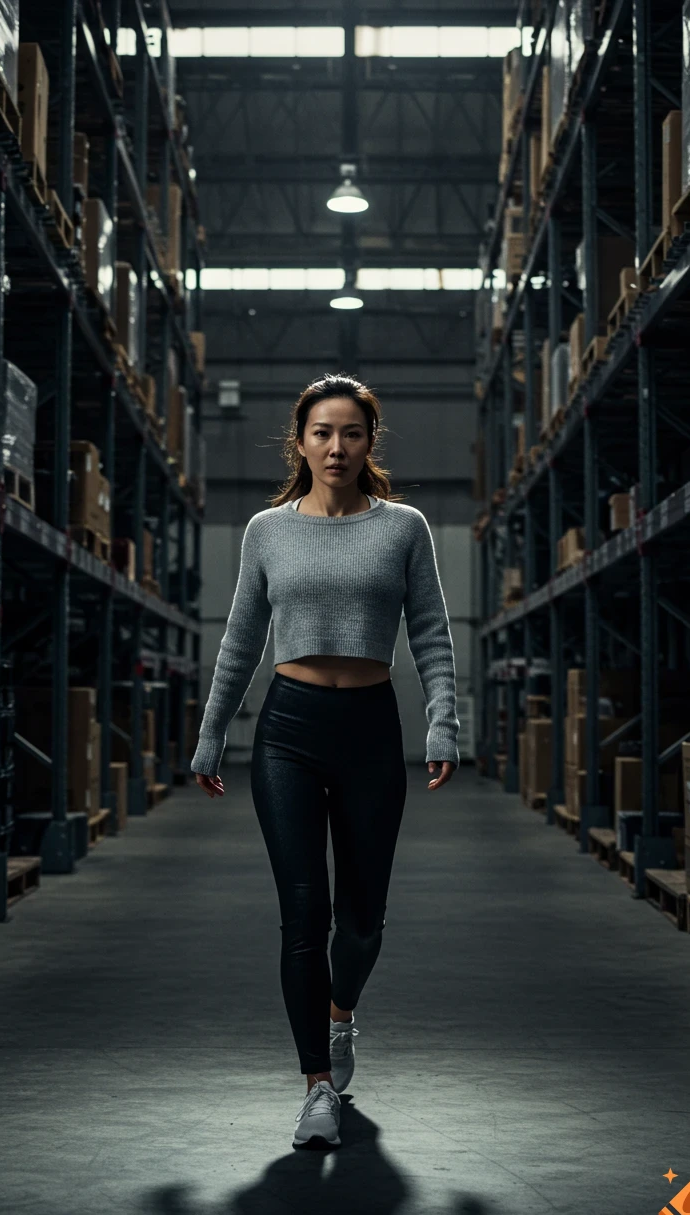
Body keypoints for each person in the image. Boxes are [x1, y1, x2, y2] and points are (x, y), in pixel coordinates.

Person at [190, 373, 460, 1150]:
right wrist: (211, 736)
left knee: (362, 920)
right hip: (289, 733)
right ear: (300, 443)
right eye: (322, 433)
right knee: (304, 915)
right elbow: (241, 641)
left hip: (371, 729)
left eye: (351, 433)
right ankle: (316, 1086)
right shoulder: (266, 531)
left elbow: (432, 633)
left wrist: (443, 724)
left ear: (369, 442)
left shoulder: (404, 527)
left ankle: (341, 1015)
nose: (336, 447)